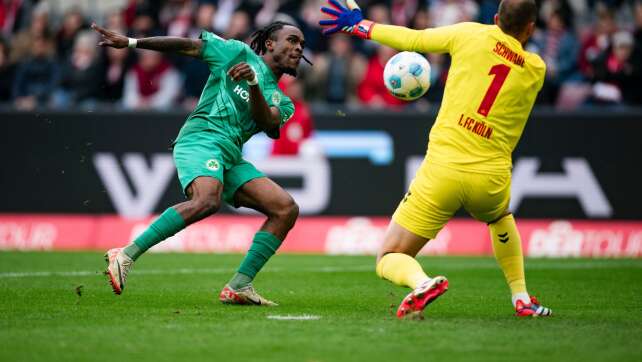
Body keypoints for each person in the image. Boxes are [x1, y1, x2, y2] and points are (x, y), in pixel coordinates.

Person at [320, 0, 552, 319]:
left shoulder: (469, 35)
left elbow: (413, 40)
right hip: (491, 177)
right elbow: (509, 55)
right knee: (499, 217)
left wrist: (361, 26)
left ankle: (423, 282)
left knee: (389, 256)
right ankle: (521, 297)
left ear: (496, 18)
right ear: (531, 28)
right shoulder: (536, 69)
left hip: (442, 171)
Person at [93, 20, 307, 306]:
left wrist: (254, 83)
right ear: (270, 43)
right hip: (201, 138)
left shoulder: (284, 101)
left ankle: (239, 285)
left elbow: (266, 122)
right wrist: (132, 42)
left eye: (301, 45)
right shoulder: (235, 52)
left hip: (229, 154)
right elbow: (187, 46)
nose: (298, 48)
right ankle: (126, 254)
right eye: (292, 40)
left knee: (285, 208)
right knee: (207, 199)